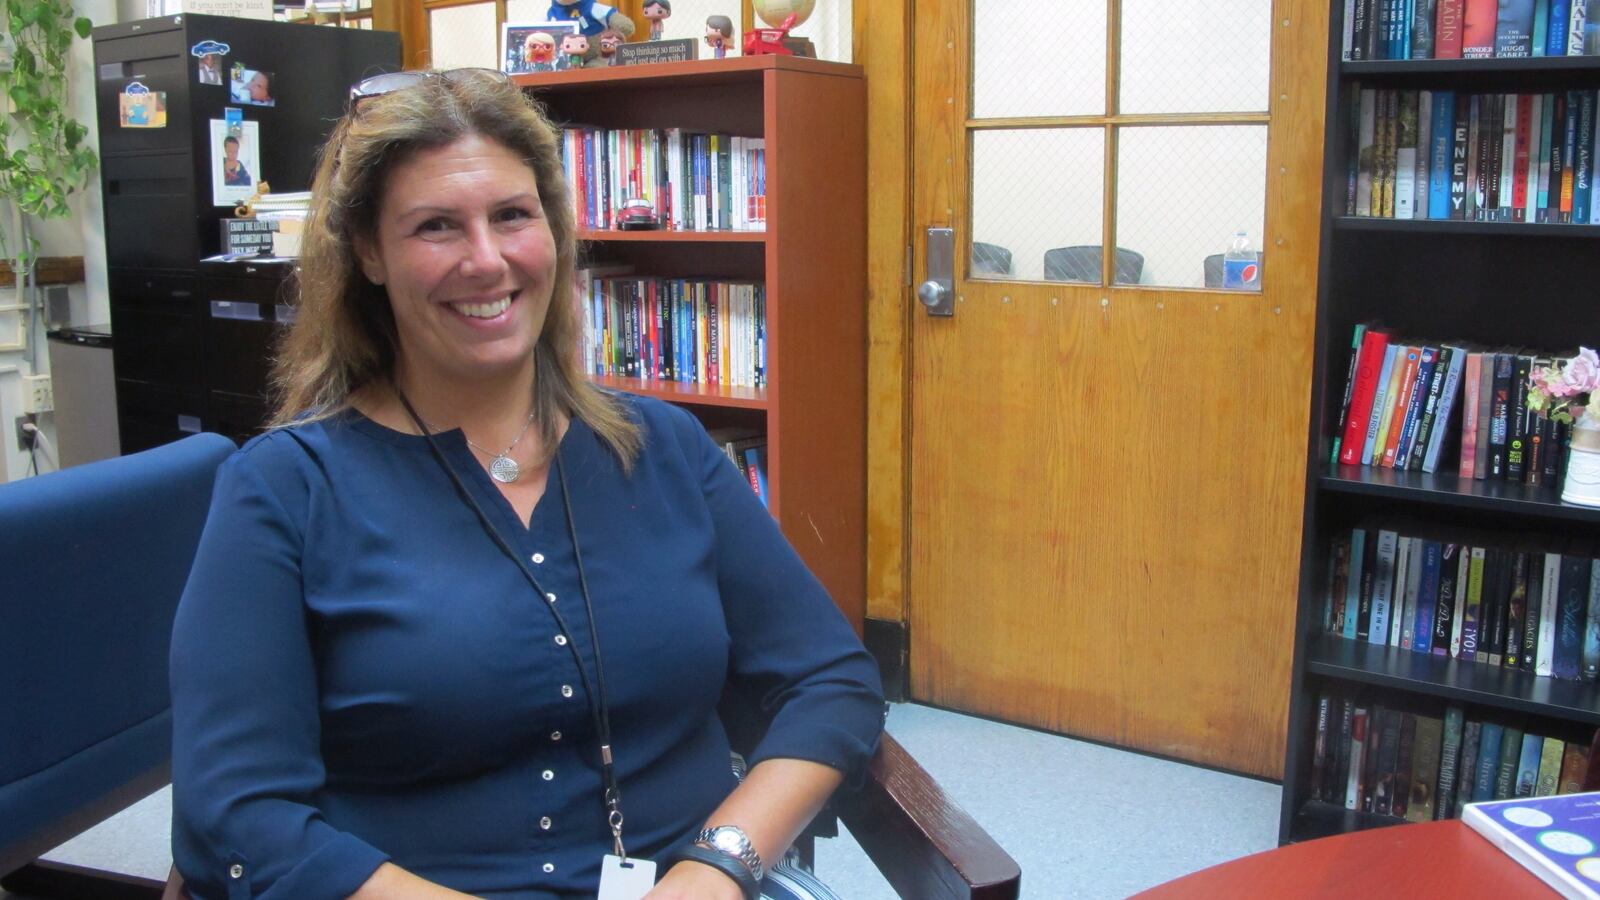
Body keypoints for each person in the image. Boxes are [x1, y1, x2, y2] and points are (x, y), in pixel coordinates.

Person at [169, 68, 883, 900]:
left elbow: (830, 680)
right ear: (367, 252)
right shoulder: (284, 492)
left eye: (512, 215)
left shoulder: (664, 450)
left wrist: (719, 863)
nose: (487, 259)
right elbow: (237, 810)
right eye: (436, 226)